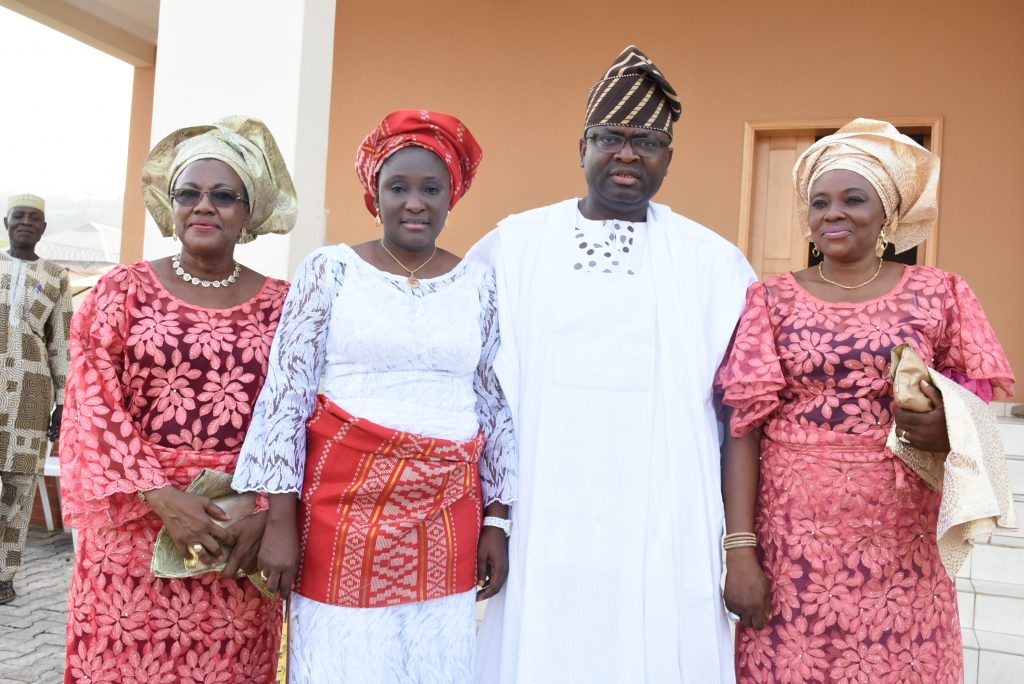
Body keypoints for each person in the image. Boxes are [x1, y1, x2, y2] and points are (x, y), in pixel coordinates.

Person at [471, 46, 756, 683]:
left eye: (647, 142)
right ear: (582, 147)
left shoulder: (714, 264)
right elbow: (474, 389)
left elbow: (743, 412)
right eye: (611, 138)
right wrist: (492, 516)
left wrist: (739, 545)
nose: (628, 154)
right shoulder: (514, 247)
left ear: (669, 158)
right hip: (544, 515)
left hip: (665, 520)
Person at [718, 118, 1015, 682]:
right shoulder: (769, 299)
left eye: (853, 199)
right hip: (792, 536)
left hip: (903, 534)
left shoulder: (939, 293)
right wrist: (740, 549)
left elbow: (971, 398)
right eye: (820, 202)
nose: (833, 213)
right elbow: (744, 425)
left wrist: (945, 427)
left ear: (887, 213)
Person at [233, 109, 517, 684]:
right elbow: (286, 395)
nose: (415, 203)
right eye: (398, 188)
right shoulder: (330, 270)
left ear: (452, 196)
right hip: (343, 505)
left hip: (447, 507)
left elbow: (494, 402)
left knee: (436, 658)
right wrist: (280, 520)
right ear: (374, 194)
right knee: (342, 657)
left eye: (431, 189)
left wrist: (498, 519)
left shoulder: (479, 282)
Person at [59, 116, 297, 683]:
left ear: (249, 211)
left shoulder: (286, 305)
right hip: (133, 526)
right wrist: (162, 497)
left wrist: (269, 516)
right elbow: (92, 400)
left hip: (236, 532)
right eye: (188, 193)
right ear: (170, 208)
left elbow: (298, 417)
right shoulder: (121, 290)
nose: (203, 206)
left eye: (224, 195)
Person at [0, 193, 72, 605]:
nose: (26, 222)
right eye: (19, 216)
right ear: (6, 222)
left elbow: (61, 342)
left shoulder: (56, 276)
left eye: (34, 218)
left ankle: (4, 574)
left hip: (30, 393)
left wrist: (64, 402)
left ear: (43, 227)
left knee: (20, 484)